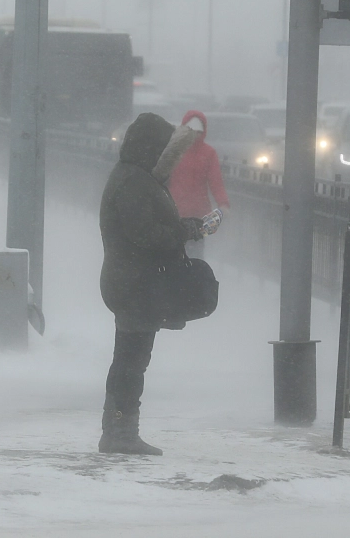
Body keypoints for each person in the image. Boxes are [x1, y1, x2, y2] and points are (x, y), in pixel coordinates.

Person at [98, 113, 202, 456]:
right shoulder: (133, 182)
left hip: (133, 282)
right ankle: (120, 432)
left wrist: (181, 227)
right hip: (133, 284)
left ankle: (120, 429)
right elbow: (144, 235)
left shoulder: (136, 178)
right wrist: (183, 231)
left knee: (130, 360)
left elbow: (146, 228)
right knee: (130, 362)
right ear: (152, 147)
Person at [167, 110, 229, 259]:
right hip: (180, 214)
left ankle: (183, 279)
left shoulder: (205, 153)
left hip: (192, 215)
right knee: (188, 258)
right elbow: (216, 183)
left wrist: (223, 203)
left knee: (188, 257)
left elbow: (216, 181)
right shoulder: (177, 150)